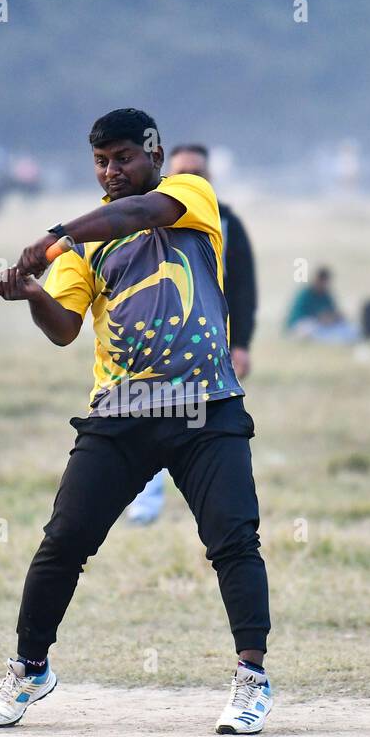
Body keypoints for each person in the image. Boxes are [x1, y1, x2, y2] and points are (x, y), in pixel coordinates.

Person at [0, 108, 273, 735]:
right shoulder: (84, 245)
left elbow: (138, 216)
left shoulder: (189, 196)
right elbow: (64, 330)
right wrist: (33, 294)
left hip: (206, 405)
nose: (112, 173)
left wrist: (53, 237)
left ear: (155, 154)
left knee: (233, 539)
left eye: (123, 159)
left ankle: (252, 681)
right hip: (119, 412)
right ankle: (29, 667)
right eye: (101, 163)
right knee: (63, 541)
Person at [126, 143, 257, 525]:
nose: (190, 180)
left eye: (198, 173)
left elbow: (243, 287)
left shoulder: (225, 221)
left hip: (210, 348)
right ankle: (145, 507)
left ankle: (213, 514)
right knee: (148, 423)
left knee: (207, 432)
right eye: (182, 173)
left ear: (211, 178)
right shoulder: (145, 217)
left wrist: (242, 343)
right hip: (157, 349)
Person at [285, 267, 358, 342]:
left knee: (347, 328)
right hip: (303, 324)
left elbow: (332, 311)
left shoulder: (326, 294)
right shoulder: (305, 293)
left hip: (323, 325)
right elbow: (299, 316)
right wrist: (320, 318)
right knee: (307, 329)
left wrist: (335, 317)